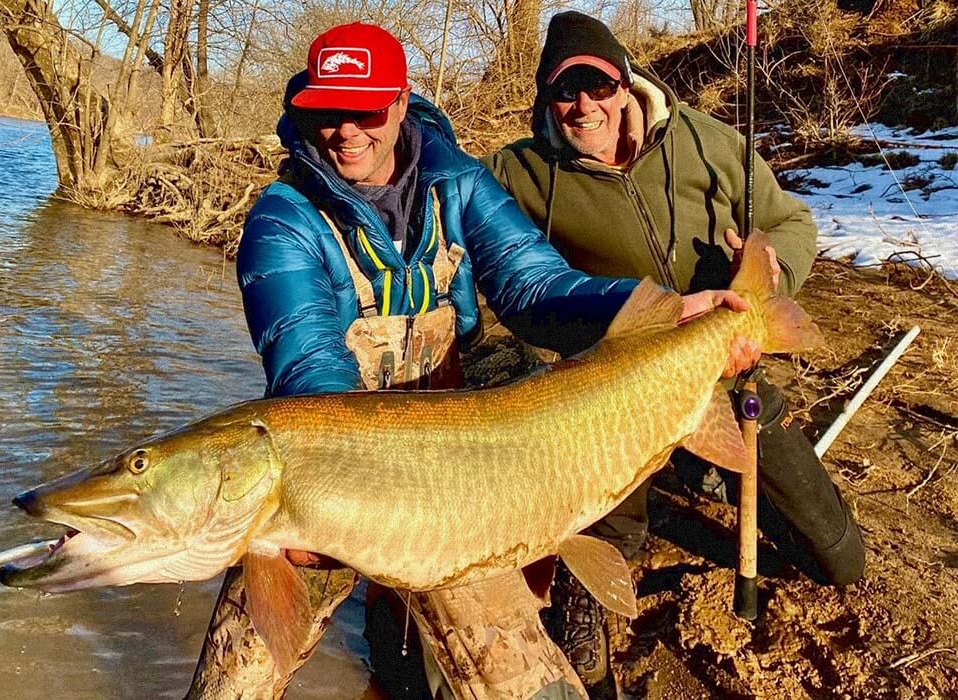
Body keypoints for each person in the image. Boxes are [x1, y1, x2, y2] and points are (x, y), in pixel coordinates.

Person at [186, 20, 760, 700]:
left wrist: (660, 312)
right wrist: (332, 513)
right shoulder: (282, 220)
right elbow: (310, 370)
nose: (346, 131)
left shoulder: (458, 181)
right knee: (235, 682)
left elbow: (535, 283)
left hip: (459, 473)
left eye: (365, 109)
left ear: (400, 104)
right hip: (323, 483)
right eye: (326, 111)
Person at [482, 10, 866, 688]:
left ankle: (698, 469)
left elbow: (788, 221)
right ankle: (587, 610)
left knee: (841, 562)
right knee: (606, 541)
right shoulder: (519, 173)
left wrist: (773, 272)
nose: (584, 107)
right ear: (546, 100)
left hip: (727, 360)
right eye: (564, 93)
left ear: (625, 85)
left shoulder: (706, 142)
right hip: (609, 380)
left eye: (598, 87)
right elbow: (506, 275)